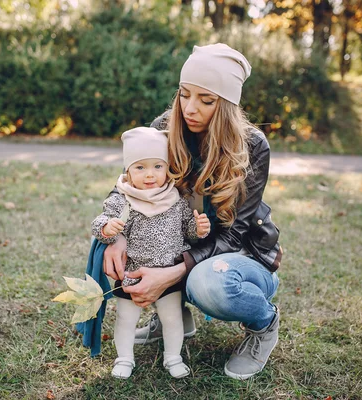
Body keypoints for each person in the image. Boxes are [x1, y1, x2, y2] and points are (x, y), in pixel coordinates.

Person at [102, 43, 283, 380]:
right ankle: (171, 316)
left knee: (208, 283)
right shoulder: (165, 127)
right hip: (187, 245)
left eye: (206, 99)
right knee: (135, 240)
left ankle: (264, 325)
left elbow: (236, 234)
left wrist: (172, 273)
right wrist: (118, 237)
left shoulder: (253, 145)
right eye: (184, 94)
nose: (190, 108)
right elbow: (130, 180)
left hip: (241, 258)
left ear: (226, 104)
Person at [91, 127, 211, 379]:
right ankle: (124, 358)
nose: (149, 175)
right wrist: (107, 227)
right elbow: (100, 223)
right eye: (140, 168)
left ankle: (173, 357)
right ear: (128, 171)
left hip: (168, 272)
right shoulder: (123, 199)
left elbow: (187, 229)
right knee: (126, 318)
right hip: (132, 272)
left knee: (172, 318)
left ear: (168, 167)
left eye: (158, 167)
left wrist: (199, 228)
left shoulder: (175, 198)